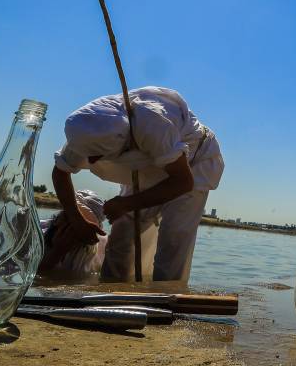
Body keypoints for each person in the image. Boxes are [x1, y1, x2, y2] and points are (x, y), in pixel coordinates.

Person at [52, 86, 224, 283]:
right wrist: (76, 219)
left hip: (192, 165)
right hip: (146, 170)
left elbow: (182, 182)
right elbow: (60, 172)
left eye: (97, 157)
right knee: (121, 240)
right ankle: (112, 296)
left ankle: (166, 303)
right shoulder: (84, 130)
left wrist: (125, 204)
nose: (91, 162)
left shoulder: (153, 123)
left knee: (173, 242)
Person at [37, 189, 108, 277]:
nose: (73, 225)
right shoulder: (35, 234)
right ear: (60, 216)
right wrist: (56, 253)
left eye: (82, 225)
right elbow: (28, 276)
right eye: (70, 216)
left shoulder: (101, 249)